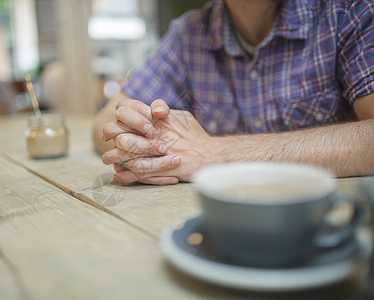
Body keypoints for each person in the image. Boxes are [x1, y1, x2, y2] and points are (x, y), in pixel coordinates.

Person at [93, 0, 374, 185]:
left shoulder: (348, 11)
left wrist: (214, 154)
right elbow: (105, 121)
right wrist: (148, 145)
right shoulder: (189, 34)